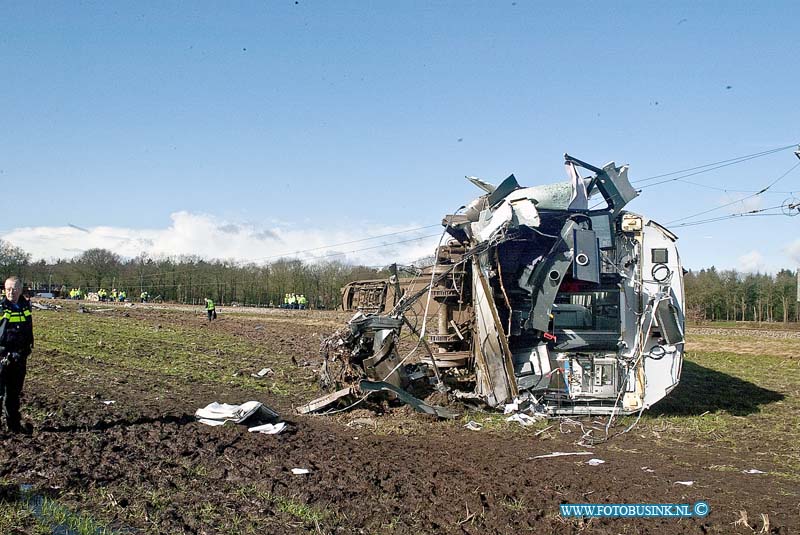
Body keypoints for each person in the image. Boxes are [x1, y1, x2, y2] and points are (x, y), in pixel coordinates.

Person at [0, 276, 34, 434]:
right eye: (7, 289)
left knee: (13, 394)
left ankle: (13, 426)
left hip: (19, 358)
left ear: (20, 290)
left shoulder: (25, 306)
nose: (10, 292)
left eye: (14, 289)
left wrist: (26, 348)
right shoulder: (1, 307)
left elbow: (27, 329)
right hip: (2, 357)